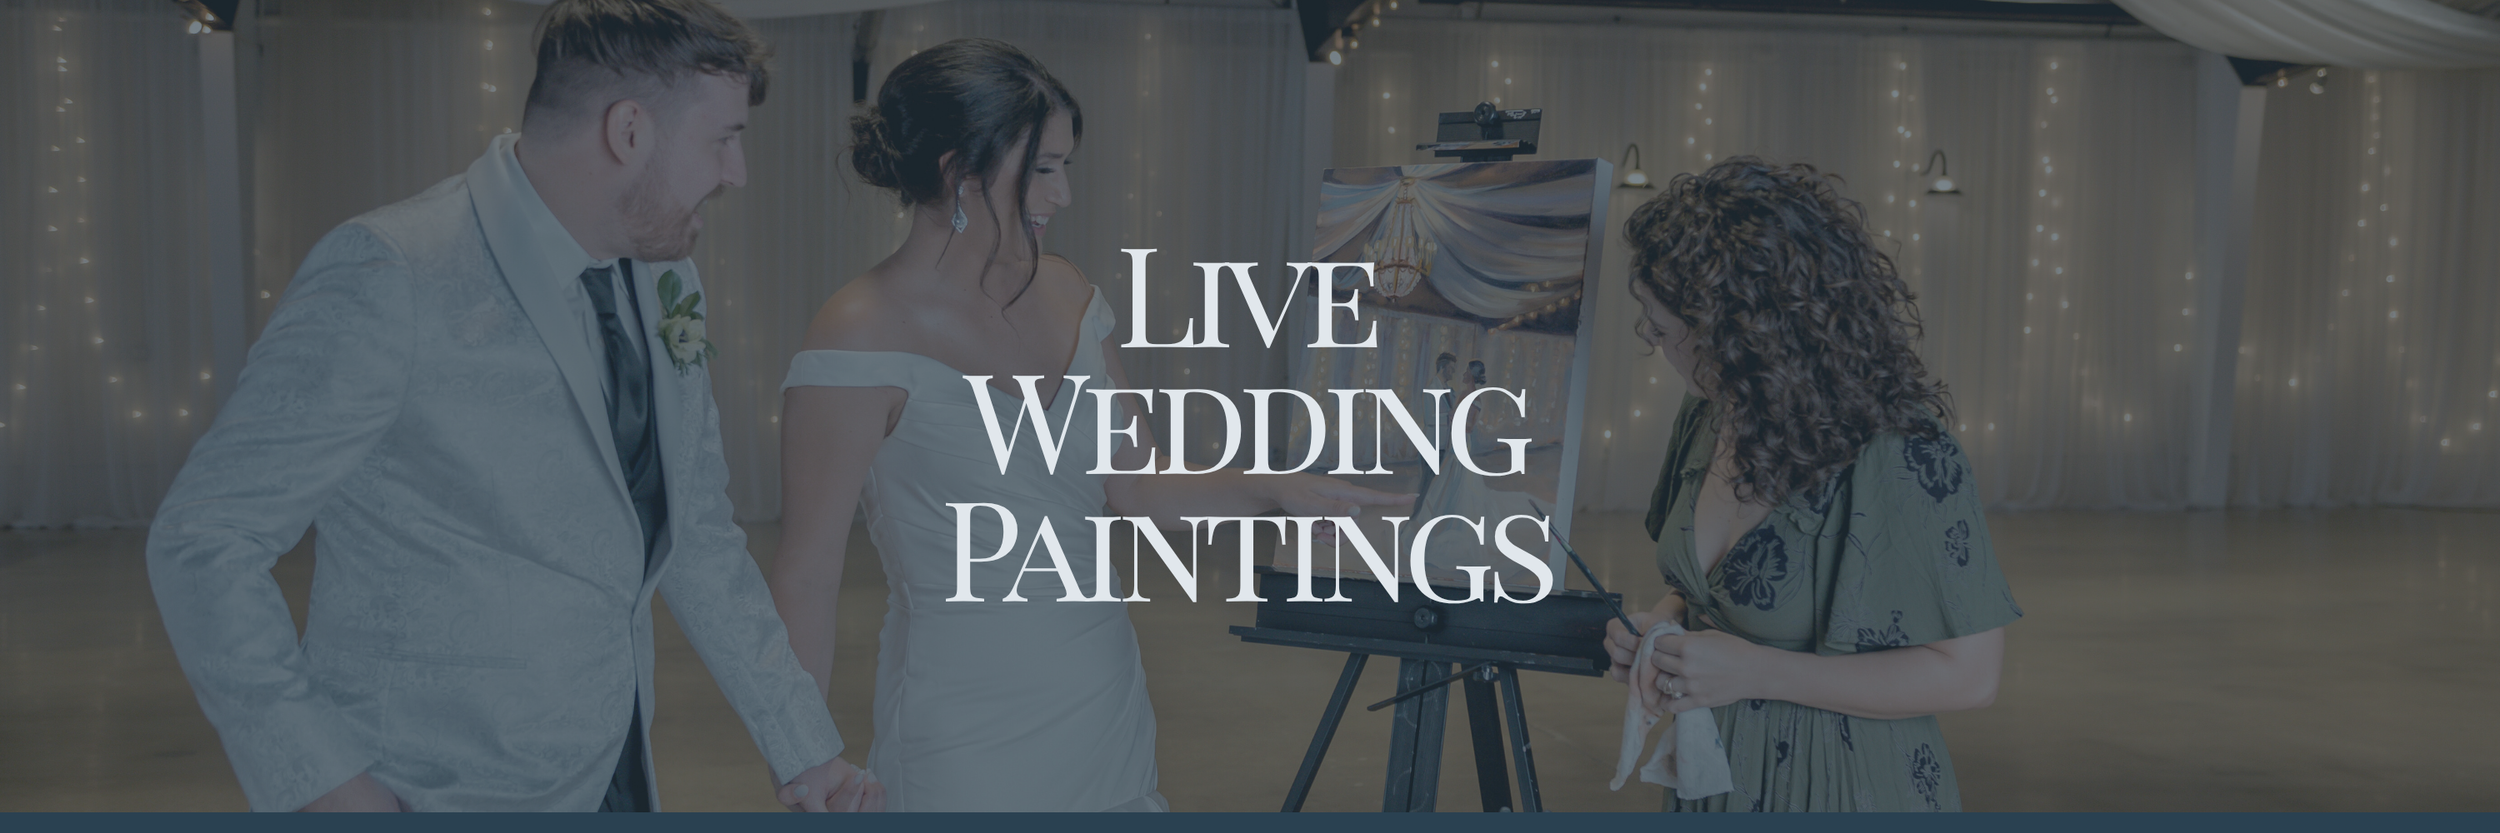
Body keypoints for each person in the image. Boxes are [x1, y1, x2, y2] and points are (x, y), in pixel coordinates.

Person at [146, 0, 877, 812]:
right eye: (723, 139)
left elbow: (696, 534)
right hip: (431, 790)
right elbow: (204, 538)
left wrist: (805, 751)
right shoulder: (393, 272)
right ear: (629, 131)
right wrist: (320, 782)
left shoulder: (667, 276)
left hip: (617, 772)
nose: (736, 173)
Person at [769, 38, 1408, 811]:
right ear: (956, 170)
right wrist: (803, 756)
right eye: (1042, 169)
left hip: (1103, 702)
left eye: (1066, 166)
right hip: (960, 728)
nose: (1064, 194)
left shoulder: (1069, 291)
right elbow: (808, 573)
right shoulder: (856, 333)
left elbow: (1136, 484)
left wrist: (1276, 487)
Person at [1599, 158, 2022, 812]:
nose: (1651, 340)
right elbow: (1706, 590)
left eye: (1661, 326)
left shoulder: (1898, 449)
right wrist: (1663, 625)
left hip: (1844, 788)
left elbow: (1971, 675)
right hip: (1716, 779)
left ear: (1735, 325)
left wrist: (1755, 670)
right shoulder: (1709, 411)